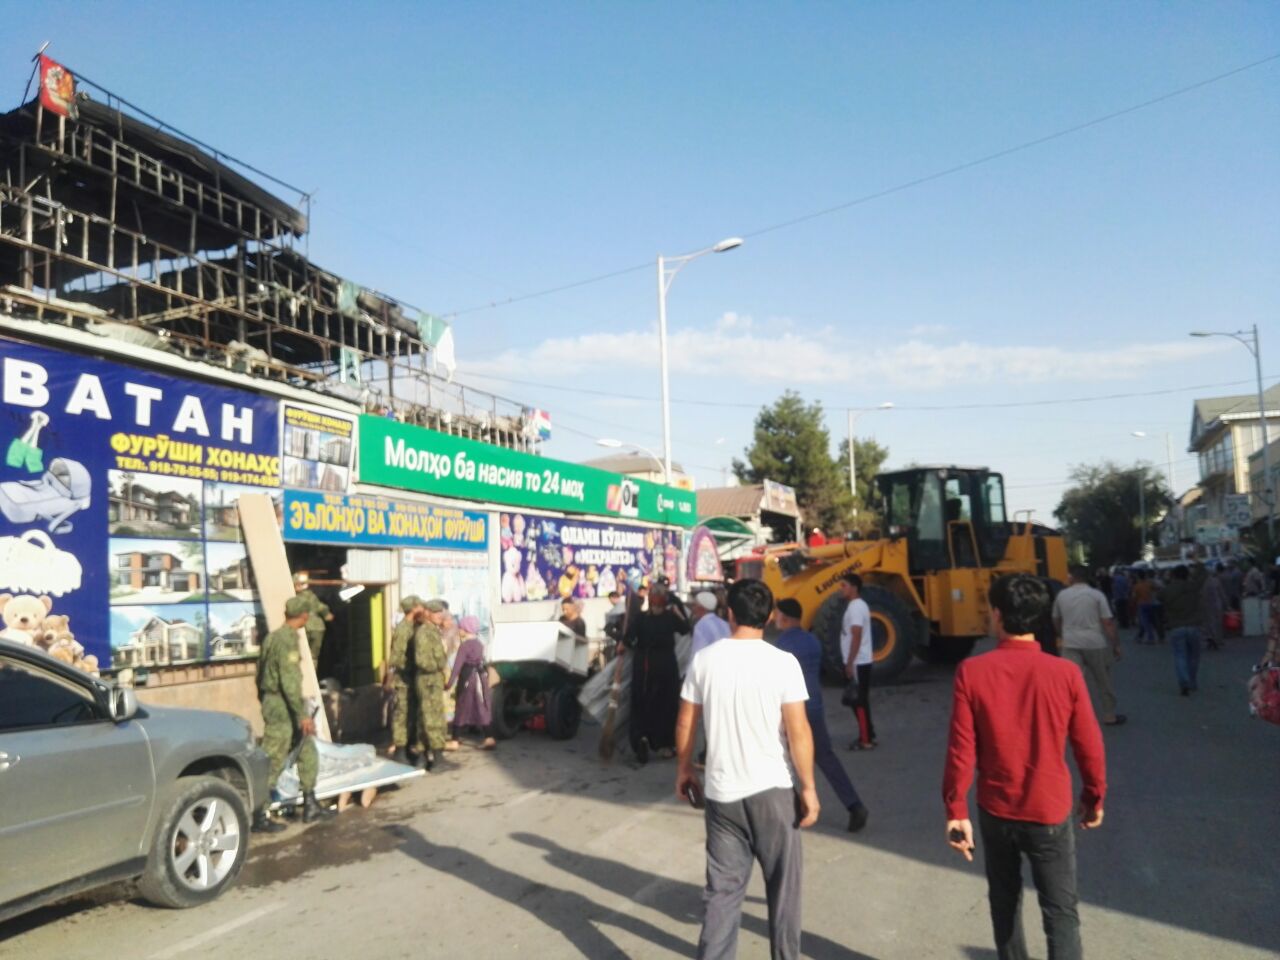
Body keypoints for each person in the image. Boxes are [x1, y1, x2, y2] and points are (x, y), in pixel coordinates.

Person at [943, 574, 1107, 960]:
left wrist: (956, 809)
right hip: (1049, 809)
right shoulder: (1065, 673)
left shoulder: (972, 671)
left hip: (996, 808)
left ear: (998, 614)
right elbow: (1089, 745)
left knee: (1004, 902)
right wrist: (1093, 797)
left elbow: (961, 749)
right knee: (1061, 911)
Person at [675, 578, 818, 960]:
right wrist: (808, 788)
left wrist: (685, 769)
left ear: (730, 614)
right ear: (769, 617)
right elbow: (798, 731)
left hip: (722, 795)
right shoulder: (783, 663)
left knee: (722, 893)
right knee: (784, 891)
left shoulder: (704, 661)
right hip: (774, 792)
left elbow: (686, 721)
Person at [773, 597, 869, 832]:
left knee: (785, 759)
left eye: (777, 614)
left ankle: (797, 808)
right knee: (826, 757)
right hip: (814, 706)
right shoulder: (812, 640)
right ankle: (854, 805)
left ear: (784, 617)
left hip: (792, 709)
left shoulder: (781, 645)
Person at [257, 596, 333, 827]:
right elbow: (289, 682)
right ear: (304, 616)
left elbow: (259, 673)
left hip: (276, 701)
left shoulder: (272, 637)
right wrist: (302, 715)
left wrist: (265, 699)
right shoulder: (287, 640)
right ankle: (258, 813)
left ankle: (310, 804)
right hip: (283, 706)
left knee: (307, 751)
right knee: (274, 756)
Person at [1053, 565, 1125, 726]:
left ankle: (1070, 716)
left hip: (1070, 643)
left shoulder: (1062, 596)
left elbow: (1056, 619)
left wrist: (1061, 635)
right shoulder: (1096, 595)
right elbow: (1107, 623)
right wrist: (1116, 645)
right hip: (1095, 643)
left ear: (1071, 577)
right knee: (1103, 680)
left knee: (1071, 681)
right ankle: (1109, 715)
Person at [625, 583, 688, 762]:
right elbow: (686, 629)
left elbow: (628, 640)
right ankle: (665, 745)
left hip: (644, 665)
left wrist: (627, 643)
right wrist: (677, 612)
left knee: (642, 702)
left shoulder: (640, 618)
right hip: (666, 665)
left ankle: (642, 737)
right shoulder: (670, 617)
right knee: (666, 704)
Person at [414, 599, 457, 767]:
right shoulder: (425, 632)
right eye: (436, 612)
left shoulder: (433, 631)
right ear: (427, 613)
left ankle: (424, 757)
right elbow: (422, 660)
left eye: (441, 612)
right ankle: (437, 758)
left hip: (432, 679)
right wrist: (438, 666)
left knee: (427, 717)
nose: (440, 615)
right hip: (429, 680)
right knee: (433, 718)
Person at [839, 573, 876, 749]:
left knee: (858, 701)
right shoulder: (858, 606)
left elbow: (856, 634)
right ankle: (869, 732)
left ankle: (865, 739)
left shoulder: (855, 607)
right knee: (861, 699)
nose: (841, 589)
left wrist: (850, 662)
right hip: (860, 660)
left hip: (858, 662)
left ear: (854, 587)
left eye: (844, 585)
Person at [447, 615, 495, 749]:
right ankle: (489, 738)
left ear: (465, 629)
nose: (459, 630)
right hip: (480, 678)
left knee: (461, 707)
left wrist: (449, 683)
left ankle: (454, 740)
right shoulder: (479, 644)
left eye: (460, 628)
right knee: (481, 707)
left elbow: (457, 666)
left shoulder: (465, 646)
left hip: (467, 679)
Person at [387, 594, 424, 764]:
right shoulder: (403, 629)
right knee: (402, 715)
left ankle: (409, 747)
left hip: (412, 679)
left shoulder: (415, 626)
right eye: (420, 606)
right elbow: (396, 658)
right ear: (413, 608)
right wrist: (412, 666)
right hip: (404, 680)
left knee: (412, 714)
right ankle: (400, 750)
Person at [1160, 565, 1202, 696]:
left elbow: (1159, 597)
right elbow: (1203, 576)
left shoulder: (1168, 589)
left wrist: (1166, 581)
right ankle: (1192, 681)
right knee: (1193, 656)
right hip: (1194, 625)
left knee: (1180, 655)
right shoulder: (1194, 587)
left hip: (1176, 626)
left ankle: (1184, 681)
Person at [293, 572, 334, 665]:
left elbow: (319, 606)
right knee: (308, 654)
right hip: (308, 627)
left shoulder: (307, 595)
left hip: (312, 627)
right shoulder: (301, 596)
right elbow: (320, 607)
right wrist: (327, 614)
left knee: (311, 654)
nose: (299, 586)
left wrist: (326, 614)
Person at [690, 590, 731, 659]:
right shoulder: (725, 624)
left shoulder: (701, 626)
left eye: (694, 605)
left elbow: (697, 654)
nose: (692, 609)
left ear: (701, 608)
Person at [1202, 564, 1227, 650]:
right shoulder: (1216, 581)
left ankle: (1211, 638)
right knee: (1217, 623)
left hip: (1207, 605)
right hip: (1216, 604)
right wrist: (1226, 603)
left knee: (1209, 623)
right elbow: (1222, 593)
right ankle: (1217, 639)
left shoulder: (1201, 583)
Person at [1131, 570, 1157, 644]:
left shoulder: (1136, 586)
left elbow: (1134, 597)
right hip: (1150, 603)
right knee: (1145, 622)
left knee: (1145, 622)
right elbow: (1156, 588)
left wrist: (1133, 603)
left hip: (1141, 604)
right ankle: (1139, 637)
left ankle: (1151, 638)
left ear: (1138, 577)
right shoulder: (1149, 583)